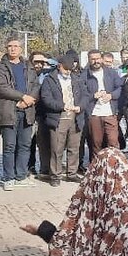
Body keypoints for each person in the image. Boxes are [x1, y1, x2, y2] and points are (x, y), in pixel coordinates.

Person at [0, 38, 40, 191]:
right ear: (6, 48)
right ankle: (9, 177)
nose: (12, 49)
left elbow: (35, 85)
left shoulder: (28, 66)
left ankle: (20, 176)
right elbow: (1, 88)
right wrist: (22, 97)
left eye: (16, 46)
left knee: (25, 145)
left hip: (27, 111)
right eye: (10, 46)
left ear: (21, 49)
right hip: (9, 111)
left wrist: (28, 100)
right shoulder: (0, 67)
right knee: (9, 146)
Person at [40, 56, 89, 187]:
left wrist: (80, 106)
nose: (68, 72)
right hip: (58, 118)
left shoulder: (77, 79)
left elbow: (85, 95)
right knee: (57, 148)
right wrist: (61, 106)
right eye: (65, 69)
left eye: (70, 69)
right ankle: (55, 175)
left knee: (74, 147)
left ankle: (71, 173)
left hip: (75, 118)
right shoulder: (49, 80)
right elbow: (46, 98)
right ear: (59, 66)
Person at [80, 50, 122, 158]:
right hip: (93, 113)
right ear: (89, 60)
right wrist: (93, 96)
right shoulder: (84, 75)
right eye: (93, 59)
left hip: (110, 112)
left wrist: (111, 95)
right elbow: (81, 94)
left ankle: (113, 168)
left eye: (97, 58)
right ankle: (97, 169)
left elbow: (119, 88)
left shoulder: (111, 72)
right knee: (96, 143)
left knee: (113, 141)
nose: (95, 61)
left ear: (101, 59)